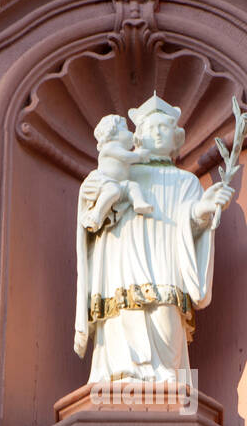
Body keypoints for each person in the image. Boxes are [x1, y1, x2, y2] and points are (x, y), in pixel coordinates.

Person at [73, 94, 233, 384]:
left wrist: (204, 209)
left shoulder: (187, 181)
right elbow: (96, 194)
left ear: (178, 138)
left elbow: (191, 220)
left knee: (165, 313)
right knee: (122, 309)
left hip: (166, 259)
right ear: (137, 137)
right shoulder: (125, 170)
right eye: (151, 128)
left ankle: (165, 375)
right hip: (122, 253)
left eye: (164, 128)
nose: (158, 134)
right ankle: (121, 371)